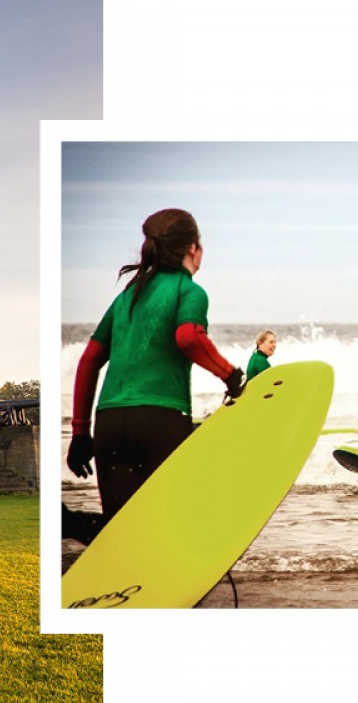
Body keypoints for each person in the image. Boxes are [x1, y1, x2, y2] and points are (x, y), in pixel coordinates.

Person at [64, 208, 246, 543]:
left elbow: (89, 361)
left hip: (108, 424)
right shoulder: (189, 291)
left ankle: (69, 524)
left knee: (124, 535)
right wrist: (232, 376)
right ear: (193, 248)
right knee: (172, 527)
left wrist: (79, 433)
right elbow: (189, 337)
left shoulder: (125, 299)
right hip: (159, 421)